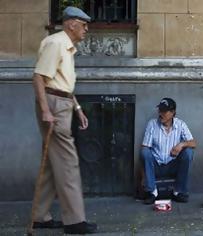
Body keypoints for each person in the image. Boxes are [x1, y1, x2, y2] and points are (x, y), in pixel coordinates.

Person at [31, 6, 97, 234]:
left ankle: (39, 216)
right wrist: (45, 111)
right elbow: (39, 77)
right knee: (68, 162)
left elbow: (64, 85)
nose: (86, 29)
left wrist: (78, 109)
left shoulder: (66, 47)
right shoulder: (56, 43)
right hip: (54, 106)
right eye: (83, 24)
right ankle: (74, 221)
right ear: (71, 24)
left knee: (52, 163)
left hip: (62, 103)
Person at [141, 98, 197, 204]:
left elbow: (193, 143)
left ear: (173, 113)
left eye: (164, 111)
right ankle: (152, 192)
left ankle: (179, 192)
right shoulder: (152, 124)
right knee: (145, 152)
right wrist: (142, 175)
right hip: (156, 166)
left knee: (188, 152)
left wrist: (181, 145)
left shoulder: (181, 125)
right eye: (159, 110)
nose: (160, 113)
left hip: (173, 166)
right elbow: (145, 148)